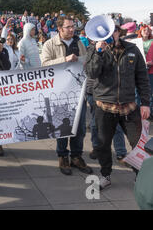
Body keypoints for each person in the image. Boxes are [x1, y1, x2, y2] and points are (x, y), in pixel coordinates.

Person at [85, 21, 151, 190]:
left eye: (112, 31)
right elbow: (91, 73)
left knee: (138, 144)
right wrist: (99, 52)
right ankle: (105, 175)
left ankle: (140, 177)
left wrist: (145, 103)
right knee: (103, 144)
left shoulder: (132, 49)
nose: (110, 35)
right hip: (104, 107)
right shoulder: (94, 49)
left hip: (129, 107)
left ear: (118, 32)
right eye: (106, 33)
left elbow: (142, 78)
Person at [41, 16, 93, 176]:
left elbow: (87, 63)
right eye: (68, 27)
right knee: (63, 127)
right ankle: (62, 156)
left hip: (78, 92)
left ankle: (76, 156)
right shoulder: (49, 44)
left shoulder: (79, 43)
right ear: (59, 29)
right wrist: (65, 59)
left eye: (73, 27)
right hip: (60, 94)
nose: (72, 29)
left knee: (80, 128)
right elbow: (44, 65)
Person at [138, 25, 153, 117]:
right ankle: (138, 112)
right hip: (139, 71)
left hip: (151, 71)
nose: (146, 32)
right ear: (140, 31)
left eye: (148, 30)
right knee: (137, 92)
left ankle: (149, 112)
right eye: (144, 30)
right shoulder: (136, 42)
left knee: (149, 91)